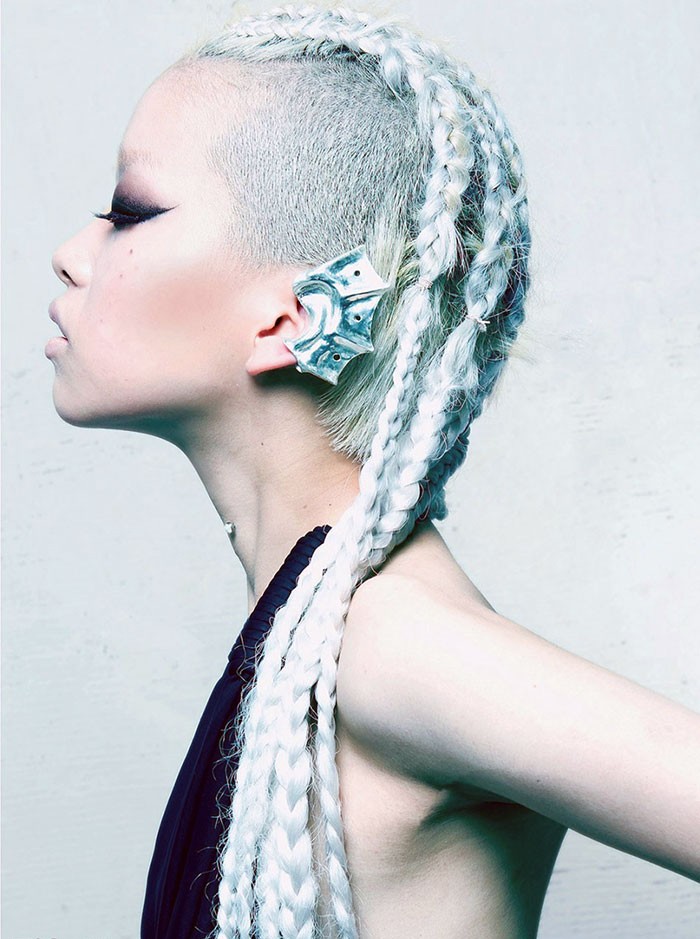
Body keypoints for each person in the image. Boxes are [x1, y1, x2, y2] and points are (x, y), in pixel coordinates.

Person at [46, 4, 700, 938]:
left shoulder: (394, 643)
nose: (71, 255)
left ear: (293, 318)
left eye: (129, 213)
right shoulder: (315, 636)